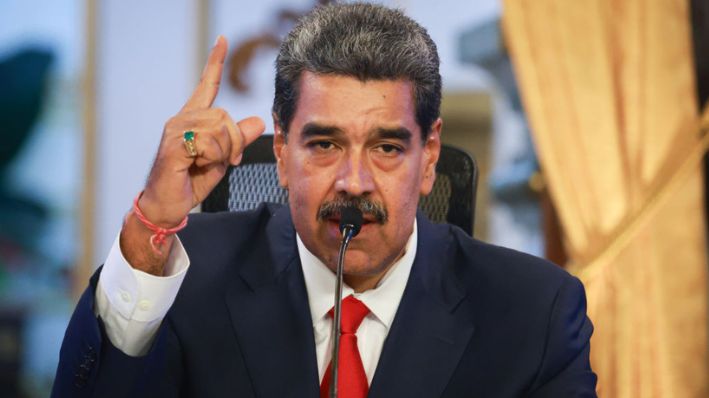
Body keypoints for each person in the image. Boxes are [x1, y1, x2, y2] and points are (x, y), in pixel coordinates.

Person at [52, 3, 597, 397]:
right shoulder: (185, 275)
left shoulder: (533, 312)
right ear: (283, 152)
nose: (353, 181)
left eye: (386, 146)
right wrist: (153, 224)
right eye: (324, 144)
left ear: (429, 156)